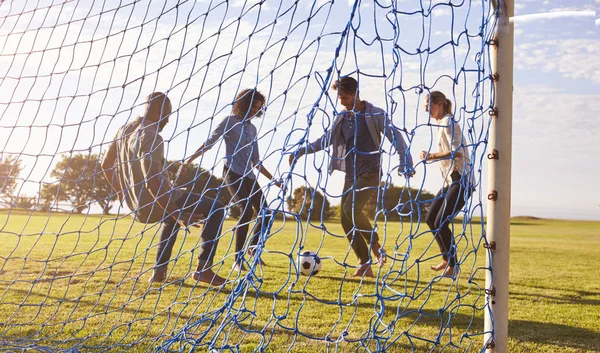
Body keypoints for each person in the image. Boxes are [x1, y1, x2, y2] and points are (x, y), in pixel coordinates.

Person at [289, 77, 414, 277]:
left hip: (370, 172)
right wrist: (301, 151)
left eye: (345, 97)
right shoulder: (341, 117)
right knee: (345, 219)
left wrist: (404, 160)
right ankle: (365, 265)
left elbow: (396, 136)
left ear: (356, 93)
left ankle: (374, 243)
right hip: (351, 174)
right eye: (339, 98)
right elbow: (324, 141)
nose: (342, 102)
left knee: (351, 208)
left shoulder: (374, 114)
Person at [101, 92, 227, 286]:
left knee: (171, 220)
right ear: (158, 111)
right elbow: (153, 182)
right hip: (155, 201)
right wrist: (178, 214)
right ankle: (204, 270)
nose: (168, 120)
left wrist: (122, 193)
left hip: (136, 206)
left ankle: (158, 273)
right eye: (167, 113)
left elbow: (105, 165)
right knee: (217, 208)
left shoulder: (124, 130)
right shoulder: (153, 137)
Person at [181, 89, 281, 271]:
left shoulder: (252, 128)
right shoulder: (229, 122)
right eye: (252, 106)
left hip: (249, 175)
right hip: (232, 173)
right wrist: (189, 161)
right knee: (246, 210)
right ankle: (237, 259)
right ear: (242, 104)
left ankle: (253, 247)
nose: (254, 111)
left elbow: (256, 161)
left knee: (266, 213)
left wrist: (274, 180)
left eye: (258, 108)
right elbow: (209, 142)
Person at [420, 91, 473, 278]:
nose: (426, 110)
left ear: (440, 103)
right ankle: (446, 259)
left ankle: (453, 266)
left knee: (441, 221)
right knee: (431, 219)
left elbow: (456, 151)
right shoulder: (441, 124)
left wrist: (432, 155)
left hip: (462, 181)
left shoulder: (449, 122)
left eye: (429, 105)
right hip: (451, 181)